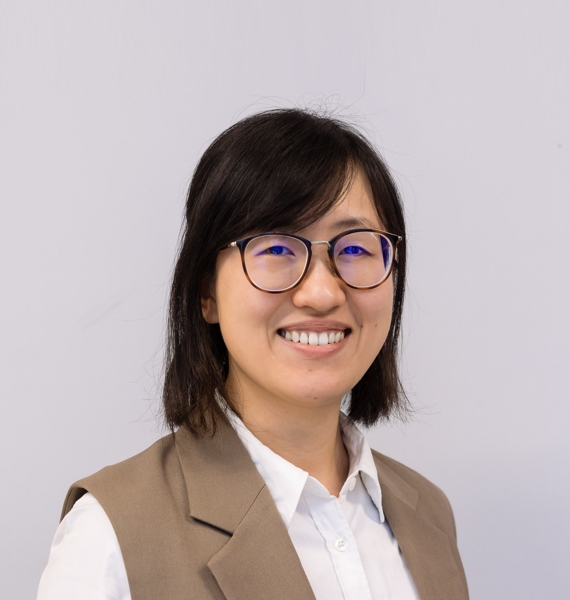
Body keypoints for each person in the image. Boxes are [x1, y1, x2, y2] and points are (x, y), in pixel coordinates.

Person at [37, 108, 469, 600]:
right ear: (207, 291)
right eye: (277, 249)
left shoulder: (429, 515)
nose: (322, 293)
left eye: (354, 249)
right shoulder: (110, 537)